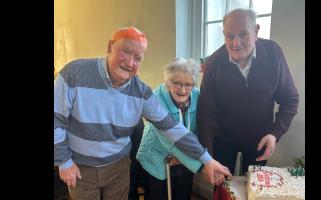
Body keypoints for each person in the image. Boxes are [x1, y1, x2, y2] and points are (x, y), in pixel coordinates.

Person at [54, 26, 231, 200]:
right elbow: (56, 120)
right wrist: (64, 162)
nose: (130, 63)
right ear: (110, 47)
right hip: (80, 166)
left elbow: (171, 128)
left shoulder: (141, 93)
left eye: (137, 58)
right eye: (125, 51)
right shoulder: (74, 73)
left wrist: (207, 160)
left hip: (118, 167)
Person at [197, 8, 299, 175]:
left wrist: (274, 134)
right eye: (230, 36)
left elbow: (290, 99)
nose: (235, 43)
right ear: (224, 34)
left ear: (256, 31)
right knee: (223, 188)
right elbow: (205, 112)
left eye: (243, 34)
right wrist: (208, 156)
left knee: (254, 189)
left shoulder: (273, 53)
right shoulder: (214, 62)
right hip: (223, 139)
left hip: (260, 140)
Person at [137, 57, 202, 200]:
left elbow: (201, 128)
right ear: (167, 83)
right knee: (158, 196)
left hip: (186, 155)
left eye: (188, 84)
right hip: (156, 155)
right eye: (177, 84)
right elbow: (165, 135)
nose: (183, 90)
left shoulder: (198, 95)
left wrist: (186, 156)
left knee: (182, 195)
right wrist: (191, 159)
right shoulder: (155, 98)